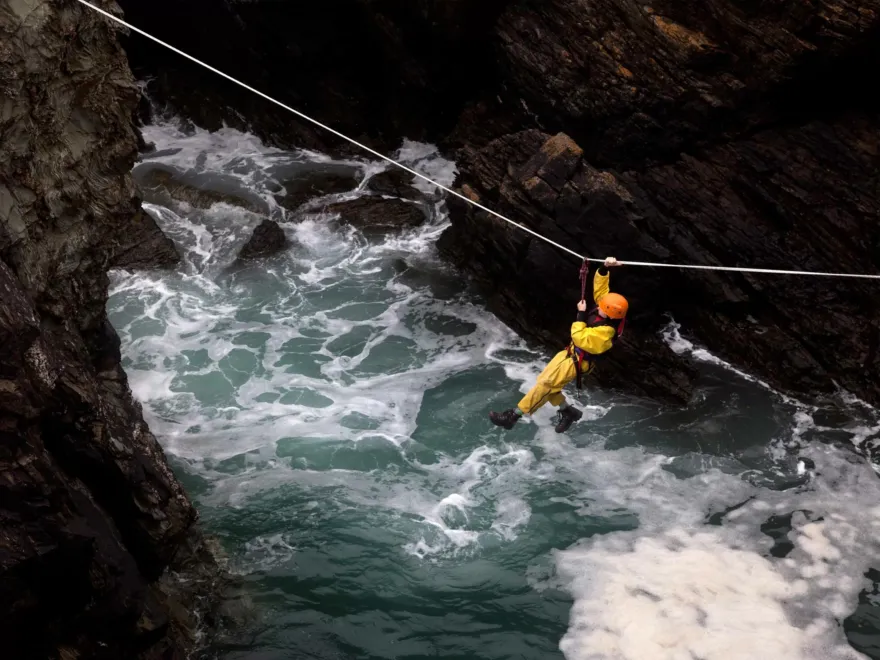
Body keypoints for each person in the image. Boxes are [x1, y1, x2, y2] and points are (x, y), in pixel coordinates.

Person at [489, 257, 628, 433]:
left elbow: (579, 336)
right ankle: (567, 411)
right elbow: (601, 290)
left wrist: (581, 314)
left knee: (546, 386)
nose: (599, 303)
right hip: (570, 354)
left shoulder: (606, 333)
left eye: (602, 305)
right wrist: (604, 268)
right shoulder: (607, 311)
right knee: (545, 382)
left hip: (577, 362)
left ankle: (513, 416)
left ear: (608, 312)